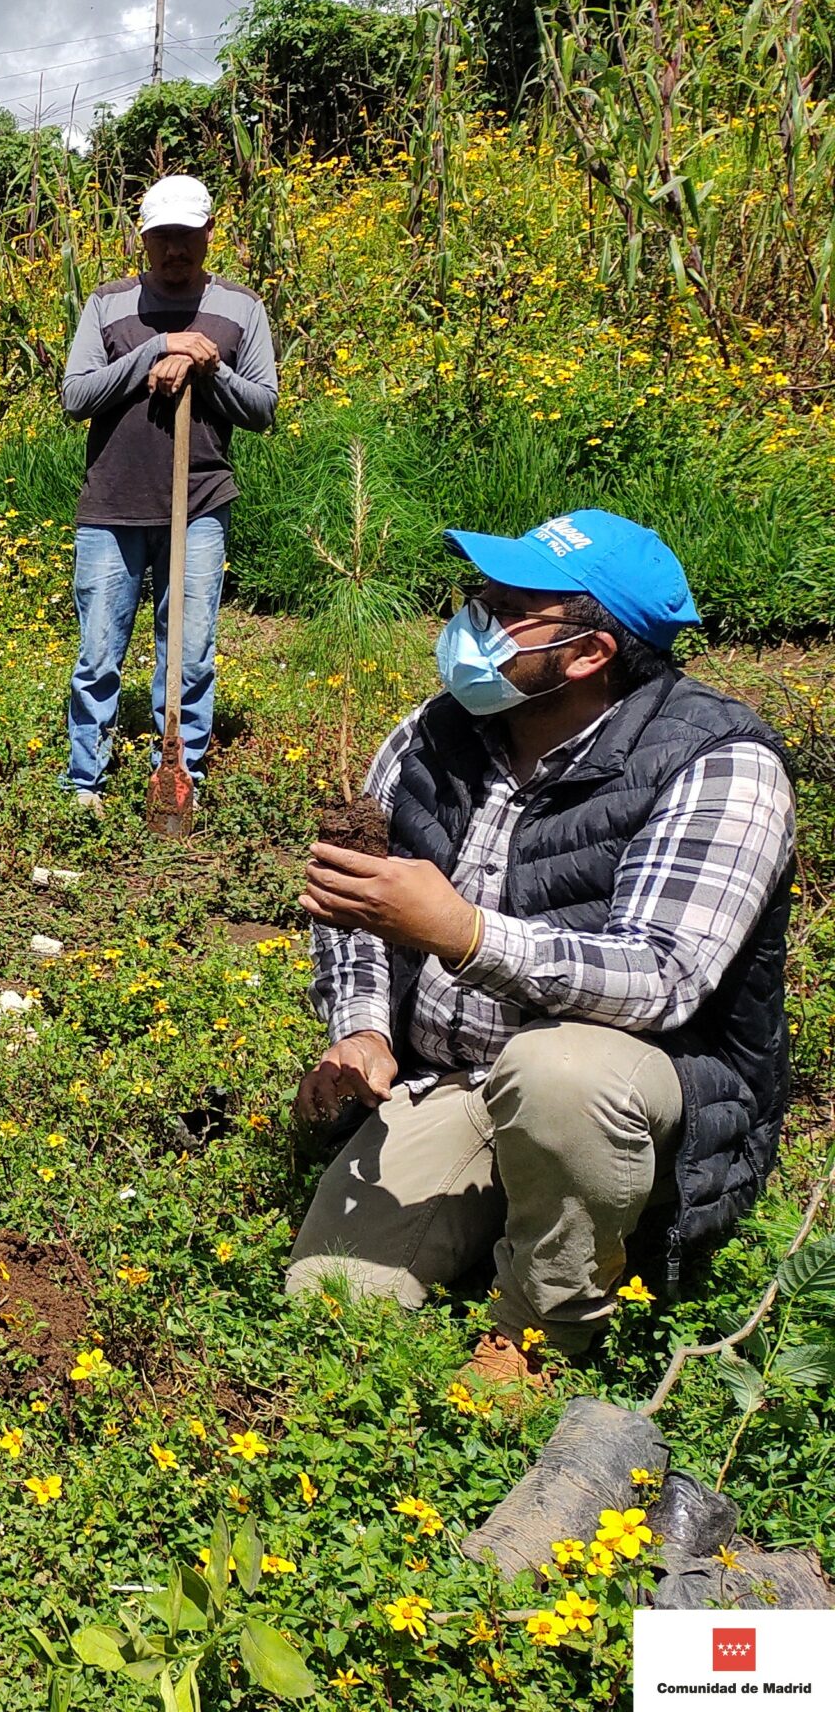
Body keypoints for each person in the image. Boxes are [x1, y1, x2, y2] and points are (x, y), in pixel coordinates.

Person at [289, 511, 793, 1384]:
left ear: (591, 651)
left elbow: (664, 977)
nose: (472, 621)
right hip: (458, 1078)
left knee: (559, 1077)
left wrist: (465, 934)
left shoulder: (718, 764)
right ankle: (517, 1206)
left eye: (507, 606)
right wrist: (366, 1028)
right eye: (476, 596)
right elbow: (353, 904)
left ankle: (539, 1333)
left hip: (627, 1094)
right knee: (331, 1300)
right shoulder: (434, 734)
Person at [57, 174, 278, 805]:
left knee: (189, 651)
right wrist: (159, 345)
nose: (174, 250)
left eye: (187, 237)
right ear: (143, 239)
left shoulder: (241, 308)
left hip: (200, 503)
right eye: (162, 238)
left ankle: (181, 776)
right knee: (98, 651)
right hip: (113, 503)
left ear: (209, 234)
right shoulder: (107, 304)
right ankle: (84, 785)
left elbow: (262, 409)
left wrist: (208, 367)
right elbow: (76, 397)